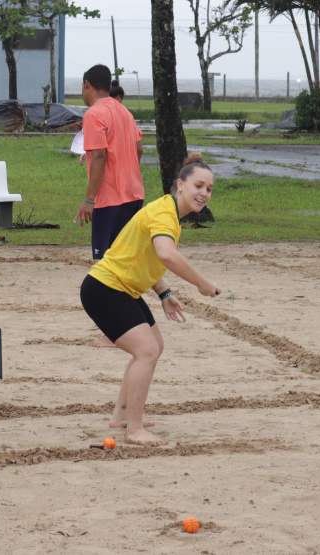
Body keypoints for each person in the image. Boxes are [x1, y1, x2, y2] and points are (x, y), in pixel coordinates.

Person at [80, 153, 221, 447]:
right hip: (105, 289)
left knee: (154, 346)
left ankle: (121, 416)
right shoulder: (164, 213)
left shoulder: (169, 212)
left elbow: (143, 255)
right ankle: (135, 429)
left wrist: (164, 293)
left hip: (123, 288)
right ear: (180, 185)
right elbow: (166, 254)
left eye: (208, 189)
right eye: (198, 186)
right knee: (146, 351)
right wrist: (201, 283)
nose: (204, 194)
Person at [73, 64, 145, 347]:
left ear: (87, 85)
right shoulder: (122, 110)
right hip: (133, 194)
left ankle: (113, 332)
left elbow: (101, 157)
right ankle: (125, 327)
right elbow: (138, 148)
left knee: (106, 267)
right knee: (124, 263)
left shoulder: (95, 113)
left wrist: (89, 200)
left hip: (110, 200)